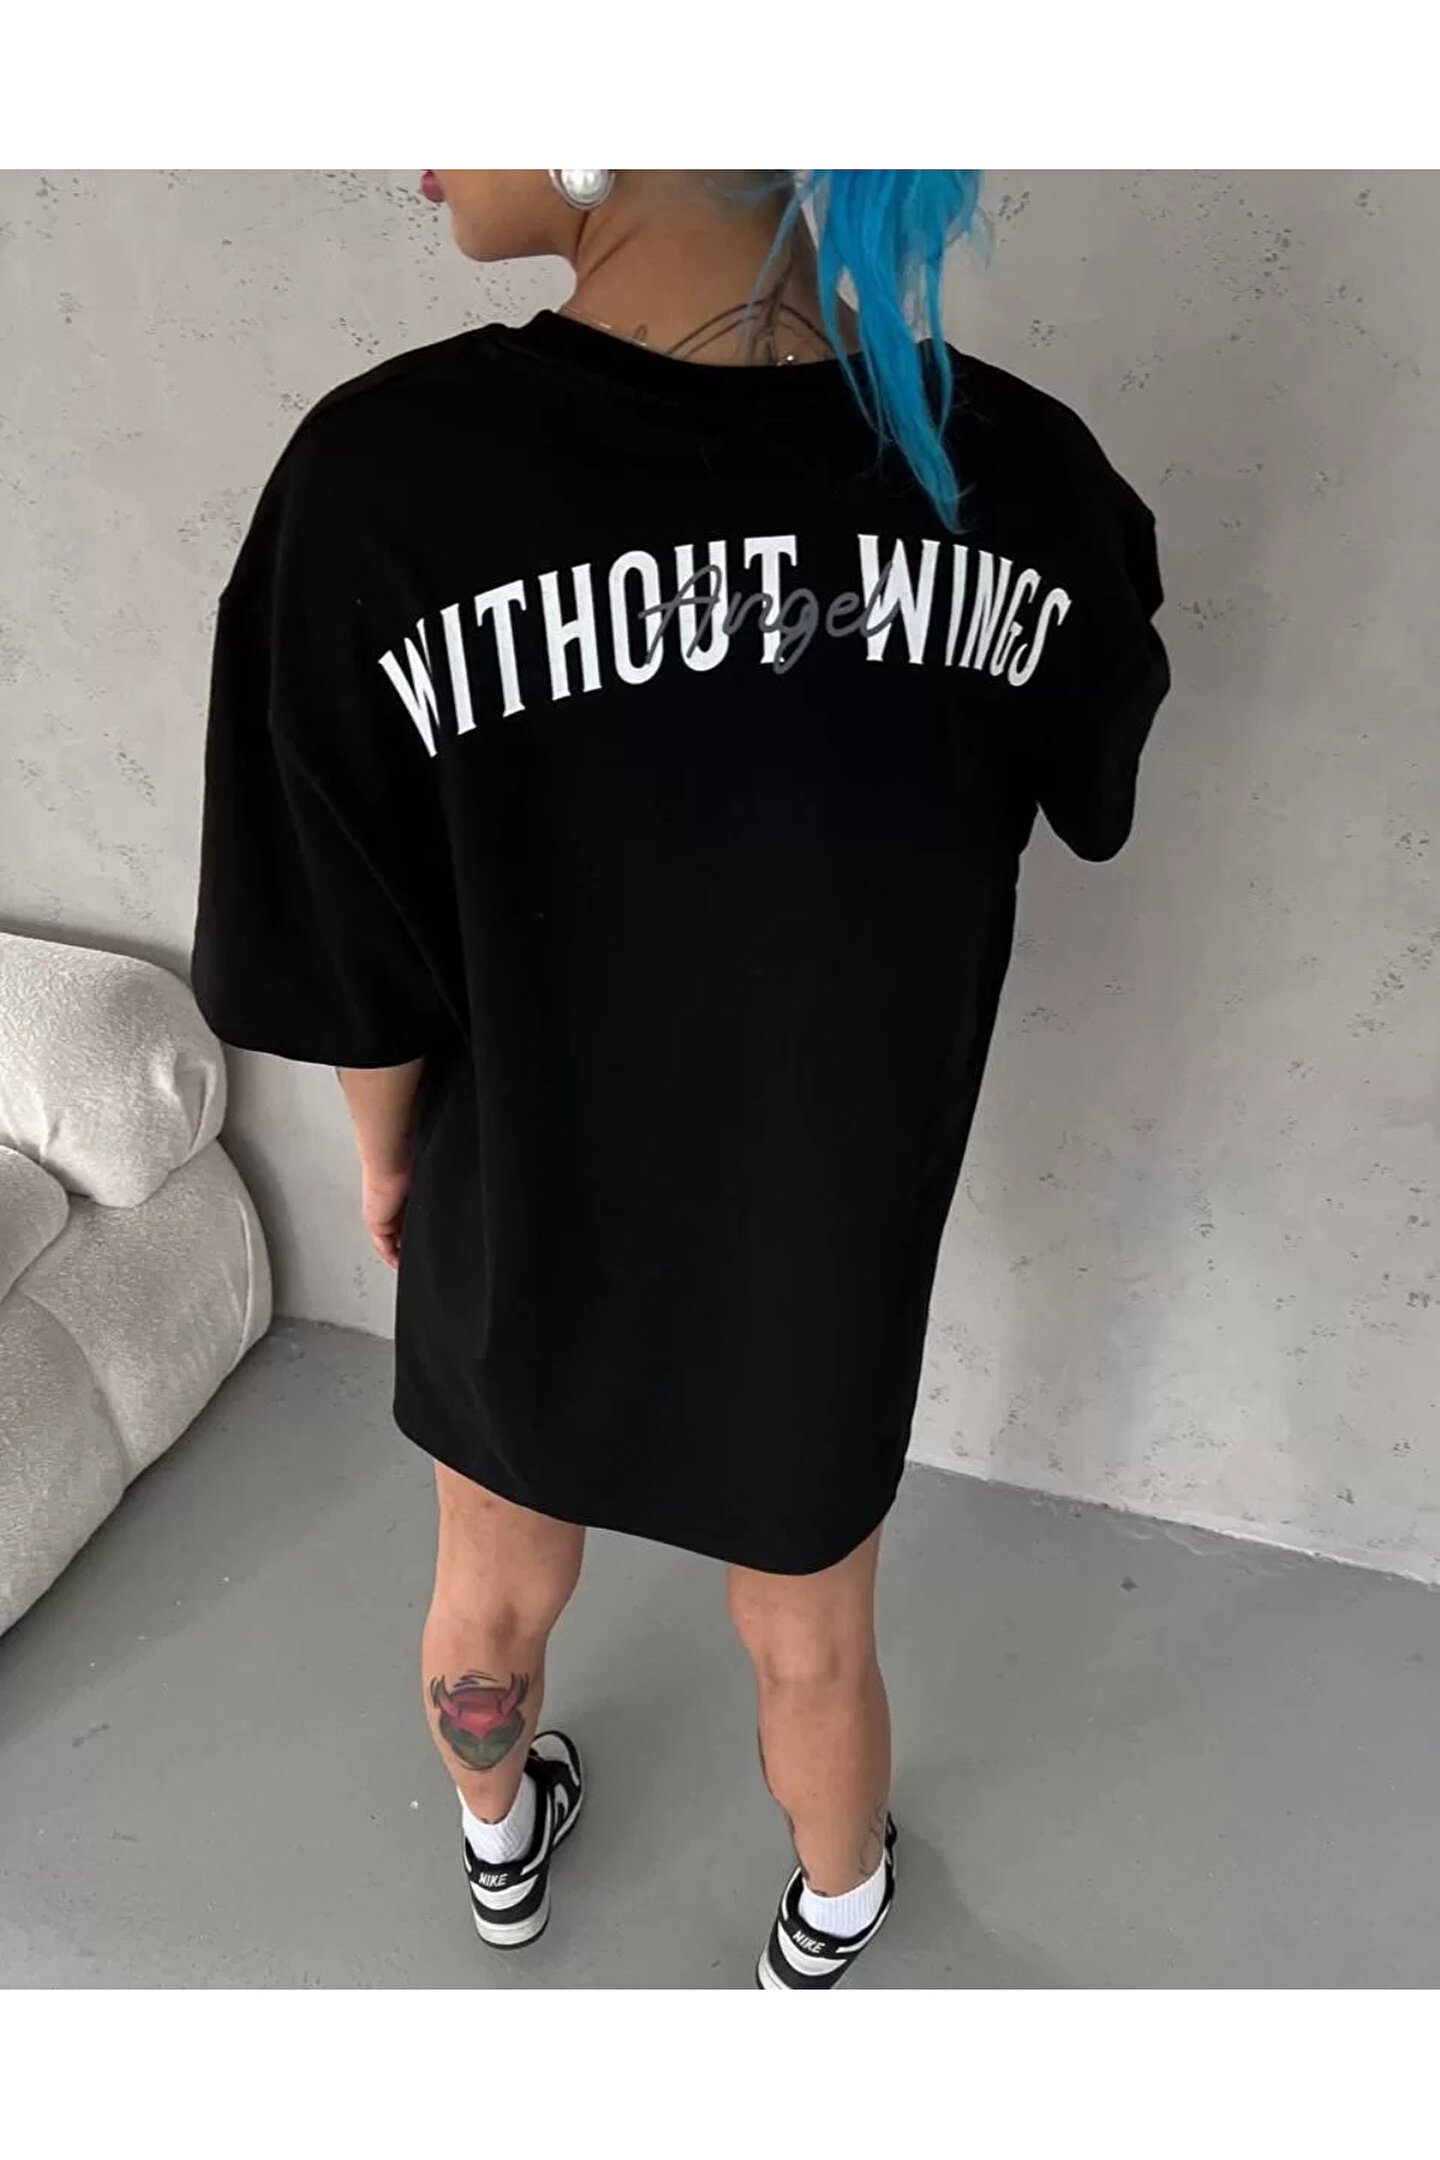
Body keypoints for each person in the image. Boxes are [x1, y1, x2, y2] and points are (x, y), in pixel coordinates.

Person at [190, 168, 1170, 1989]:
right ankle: (837, 1908)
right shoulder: (1016, 473)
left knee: (488, 1588)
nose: (421, 157)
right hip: (824, 1221)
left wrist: (389, 1164)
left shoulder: (381, 479)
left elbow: (345, 947)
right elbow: (1088, 777)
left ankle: (501, 1852)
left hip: (520, 1189)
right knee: (813, 1634)